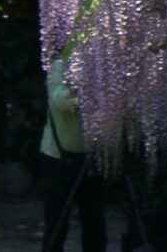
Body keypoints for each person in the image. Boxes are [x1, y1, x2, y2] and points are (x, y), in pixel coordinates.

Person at [38, 60, 106, 252]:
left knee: (94, 222)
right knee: (57, 222)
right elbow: (60, 101)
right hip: (57, 158)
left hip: (90, 157)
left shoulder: (105, 65)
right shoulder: (61, 66)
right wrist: (92, 95)